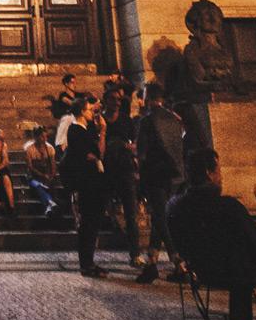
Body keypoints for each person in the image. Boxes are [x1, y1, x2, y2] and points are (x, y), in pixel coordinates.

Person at [166, 149, 256, 320]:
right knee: (246, 263)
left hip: (199, 271)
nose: (221, 175)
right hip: (233, 273)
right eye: (218, 169)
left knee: (238, 260)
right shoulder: (228, 206)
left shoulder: (175, 206)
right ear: (209, 173)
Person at [135, 87, 185, 283]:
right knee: (159, 216)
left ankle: (178, 262)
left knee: (161, 217)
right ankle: (152, 263)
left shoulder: (147, 120)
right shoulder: (174, 118)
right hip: (174, 174)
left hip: (155, 174)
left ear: (148, 98)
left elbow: (143, 153)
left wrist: (140, 173)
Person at [63, 95, 108, 277]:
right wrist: (102, 132)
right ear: (82, 111)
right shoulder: (76, 130)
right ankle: (86, 264)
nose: (92, 112)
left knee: (92, 224)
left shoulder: (84, 129)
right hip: (87, 183)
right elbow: (96, 153)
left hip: (92, 182)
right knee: (89, 224)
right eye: (89, 109)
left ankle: (89, 262)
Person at [104, 91, 143, 266]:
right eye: (113, 99)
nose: (117, 103)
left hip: (125, 168)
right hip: (105, 169)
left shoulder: (126, 120)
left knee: (131, 212)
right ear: (106, 101)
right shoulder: (100, 120)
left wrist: (125, 146)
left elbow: (136, 144)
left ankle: (135, 253)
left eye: (119, 100)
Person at [23, 125, 63, 219]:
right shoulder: (29, 148)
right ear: (36, 137)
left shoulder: (49, 148)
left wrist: (51, 175)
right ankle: (50, 203)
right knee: (38, 185)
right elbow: (30, 167)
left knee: (50, 187)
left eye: (45, 137)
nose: (45, 139)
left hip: (47, 175)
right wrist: (42, 175)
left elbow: (53, 165)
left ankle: (49, 208)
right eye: (42, 137)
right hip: (34, 176)